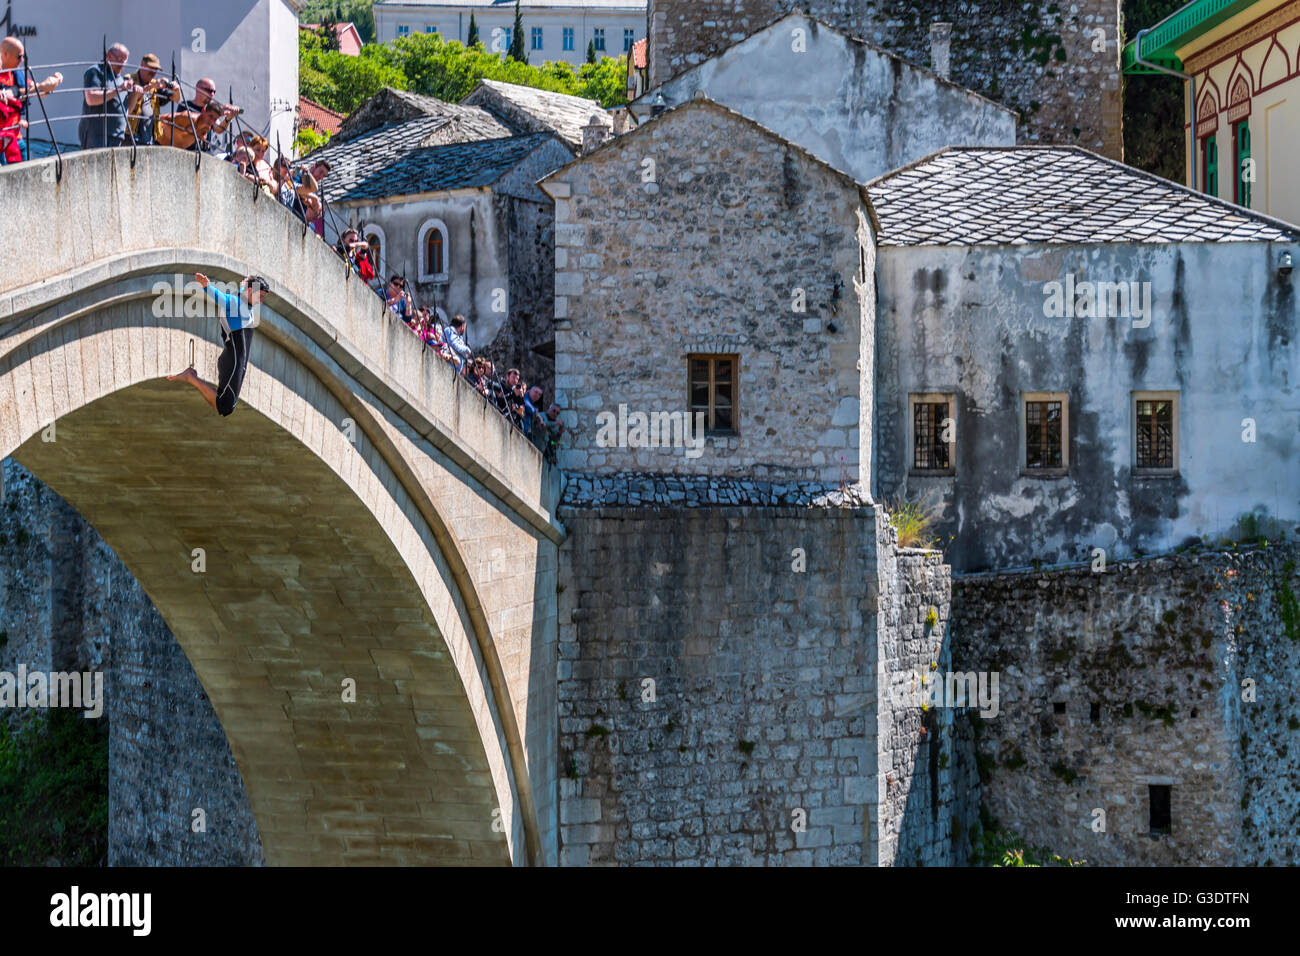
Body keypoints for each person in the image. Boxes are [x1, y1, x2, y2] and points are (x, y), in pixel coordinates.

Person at [166, 273, 267, 417]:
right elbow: (223, 299)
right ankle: (190, 377)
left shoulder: (245, 305)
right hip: (233, 362)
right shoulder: (235, 303)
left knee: (226, 404)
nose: (261, 301)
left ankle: (191, 377)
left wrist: (247, 284)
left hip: (237, 363)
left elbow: (246, 293)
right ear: (251, 292)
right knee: (225, 407)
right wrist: (207, 286)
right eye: (260, 296)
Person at [0, 36, 62, 164]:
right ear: (5, 54)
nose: (22, 60)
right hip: (3, 141)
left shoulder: (17, 75)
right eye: (19, 56)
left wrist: (55, 81)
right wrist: (40, 87)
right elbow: (13, 94)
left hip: (16, 138)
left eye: (23, 56)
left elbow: (40, 92)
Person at [78, 42, 137, 149]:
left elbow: (127, 111)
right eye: (120, 60)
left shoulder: (121, 79)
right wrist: (119, 89)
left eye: (125, 62)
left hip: (117, 136)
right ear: (109, 56)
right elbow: (91, 99)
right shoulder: (96, 71)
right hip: (97, 134)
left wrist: (135, 95)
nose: (122, 65)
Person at [124, 53, 181, 147]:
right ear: (142, 64)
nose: (153, 72)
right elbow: (133, 96)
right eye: (151, 68)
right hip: (130, 136)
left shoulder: (156, 85)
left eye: (156, 70)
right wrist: (152, 86)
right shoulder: (129, 79)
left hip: (149, 139)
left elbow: (176, 99)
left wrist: (176, 90)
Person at [182, 77, 239, 152]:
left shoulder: (209, 108)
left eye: (214, 92)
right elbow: (187, 127)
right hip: (187, 151)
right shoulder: (186, 105)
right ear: (198, 89)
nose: (212, 94)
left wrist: (228, 118)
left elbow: (218, 129)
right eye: (209, 91)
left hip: (204, 152)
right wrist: (212, 115)